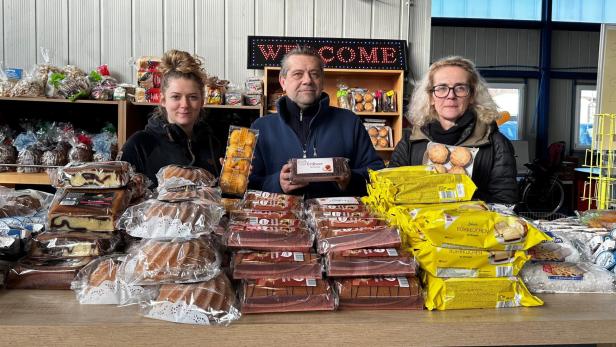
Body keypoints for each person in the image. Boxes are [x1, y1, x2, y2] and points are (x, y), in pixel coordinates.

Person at [249, 46, 384, 198]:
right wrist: (276, 183)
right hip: (282, 220)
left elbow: (378, 175)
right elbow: (248, 185)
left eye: (314, 74)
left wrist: (350, 179)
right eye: (298, 74)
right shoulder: (261, 127)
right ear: (283, 82)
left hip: (337, 219)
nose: (307, 80)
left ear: (322, 81)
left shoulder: (349, 122)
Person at [389, 56, 518, 203]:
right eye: (442, 88)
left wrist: (466, 196)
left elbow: (506, 203)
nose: (451, 96)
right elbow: (393, 192)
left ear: (471, 96)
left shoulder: (496, 144)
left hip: (471, 225)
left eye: (460, 88)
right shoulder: (410, 141)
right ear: (430, 97)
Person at [121, 49, 221, 186]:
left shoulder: (213, 143)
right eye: (176, 97)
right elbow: (121, 198)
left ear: (202, 101)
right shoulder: (139, 145)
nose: (184, 105)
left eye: (192, 97)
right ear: (163, 100)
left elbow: (223, 199)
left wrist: (236, 180)